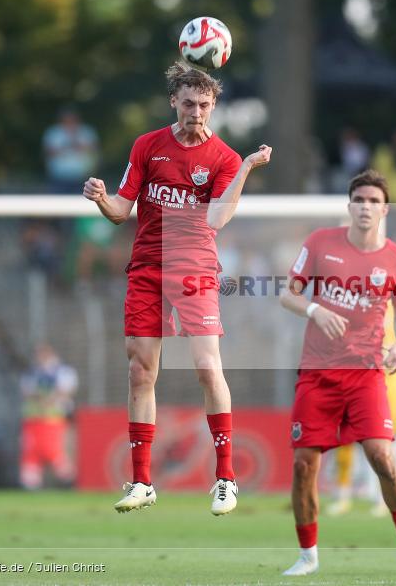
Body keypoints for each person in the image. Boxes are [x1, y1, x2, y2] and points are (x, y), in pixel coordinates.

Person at [83, 62, 271, 516]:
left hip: (194, 270)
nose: (197, 112)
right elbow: (121, 210)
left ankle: (226, 478)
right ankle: (143, 481)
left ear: (214, 105)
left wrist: (245, 166)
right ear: (174, 102)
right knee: (140, 371)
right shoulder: (148, 145)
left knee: (208, 368)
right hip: (147, 267)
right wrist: (102, 197)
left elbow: (217, 219)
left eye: (205, 104)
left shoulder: (224, 158)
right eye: (188, 103)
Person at [278, 169, 396, 576]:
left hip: (365, 374)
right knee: (303, 466)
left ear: (385, 209)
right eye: (359, 200)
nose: (365, 207)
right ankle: (308, 555)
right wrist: (316, 308)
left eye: (373, 201)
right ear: (349, 206)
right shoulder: (319, 243)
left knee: (382, 456)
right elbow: (287, 293)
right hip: (317, 373)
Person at [327, 301, 396, 518]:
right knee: (345, 438)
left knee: (383, 442)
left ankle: (381, 499)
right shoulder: (354, 299)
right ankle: (342, 496)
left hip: (389, 381)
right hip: (354, 376)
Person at [20, 343, 78, 489]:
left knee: (57, 452)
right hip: (34, 420)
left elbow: (66, 390)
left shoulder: (63, 371)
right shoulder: (32, 373)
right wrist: (41, 399)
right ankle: (31, 484)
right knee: (32, 454)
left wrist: (49, 400)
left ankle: (68, 483)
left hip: (56, 420)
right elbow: (27, 391)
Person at [44, 107, 100, 195]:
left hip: (83, 177)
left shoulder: (87, 132)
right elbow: (48, 152)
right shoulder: (54, 133)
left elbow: (94, 150)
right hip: (59, 177)